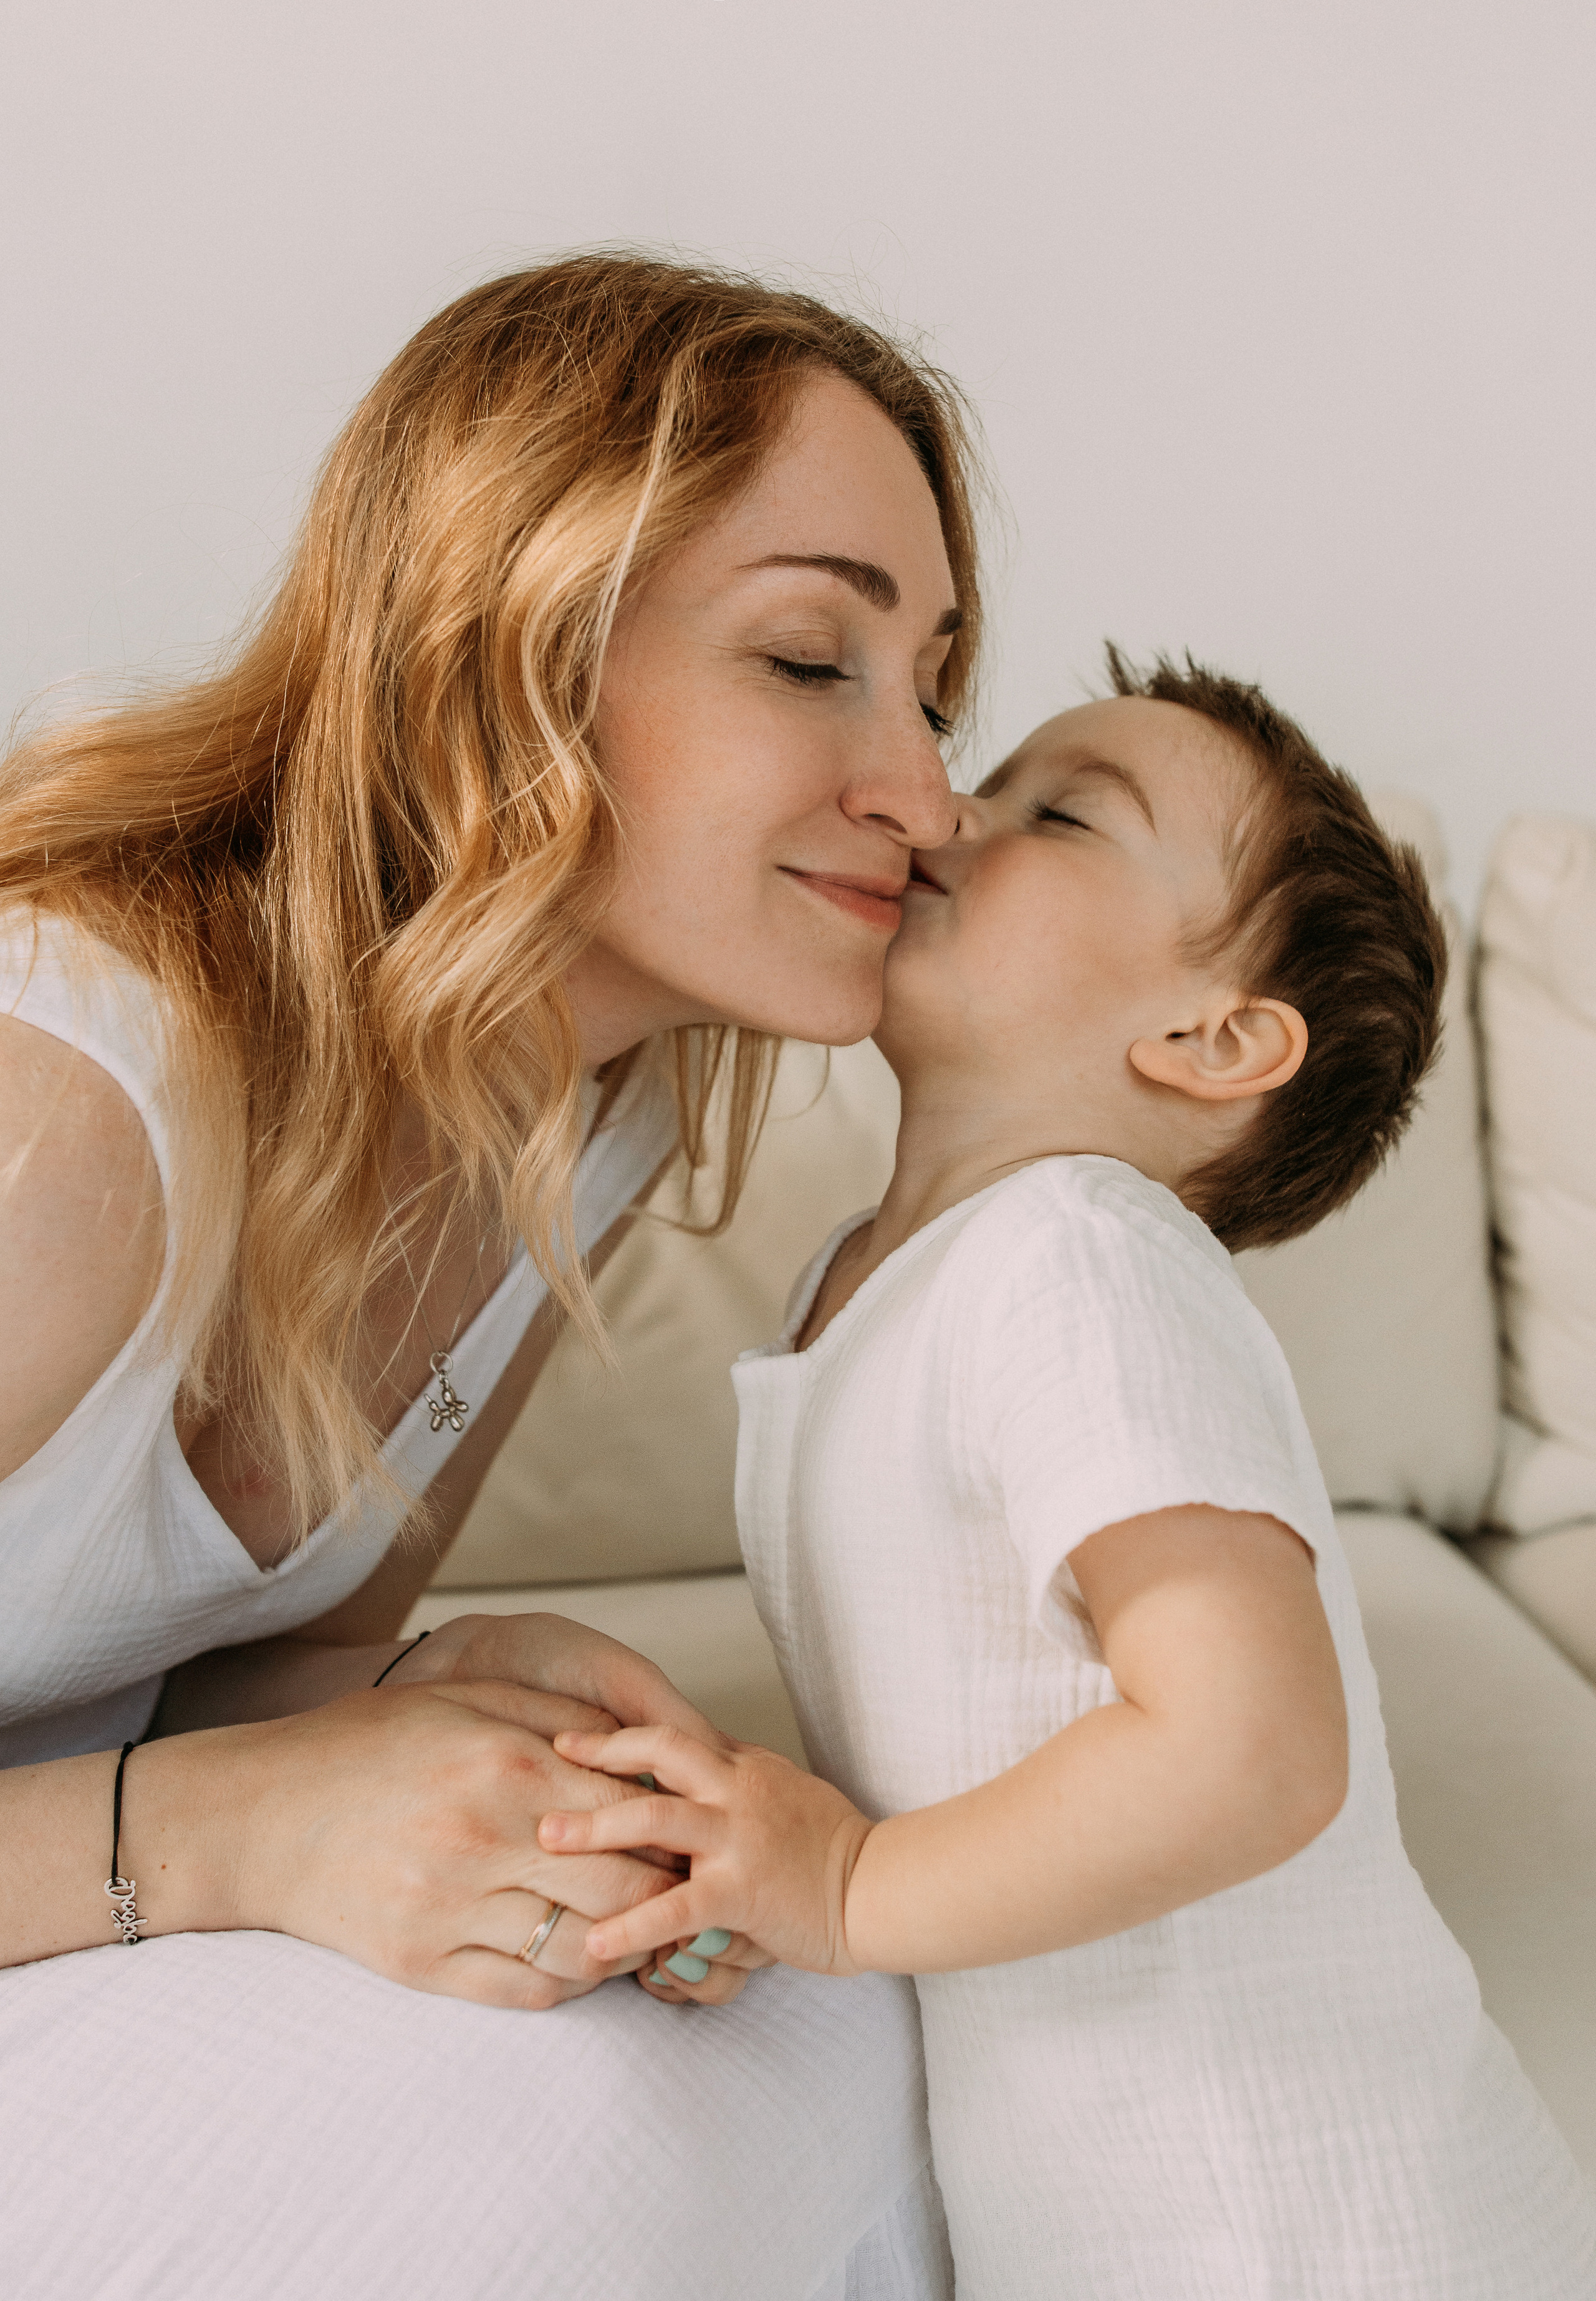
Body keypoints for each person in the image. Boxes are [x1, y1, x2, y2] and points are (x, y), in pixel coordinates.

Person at [0, 252, 983, 2299]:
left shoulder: (578, 1099)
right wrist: (222, 1831)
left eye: (938, 690)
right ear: (503, 644)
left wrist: (434, 1710)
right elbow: (205, 1785)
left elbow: (235, 1673)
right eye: (814, 657)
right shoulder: (71, 1099)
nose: (932, 797)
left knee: (834, 2006)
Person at [538, 655, 1596, 2297]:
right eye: (999, 774)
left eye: (1067, 812)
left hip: (1309, 2229)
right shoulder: (878, 1279)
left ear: (1211, 1034)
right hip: (1113, 2216)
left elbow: (1252, 1748)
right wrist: (778, 1855)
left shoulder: (1080, 1252)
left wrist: (849, 1884)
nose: (953, 807)